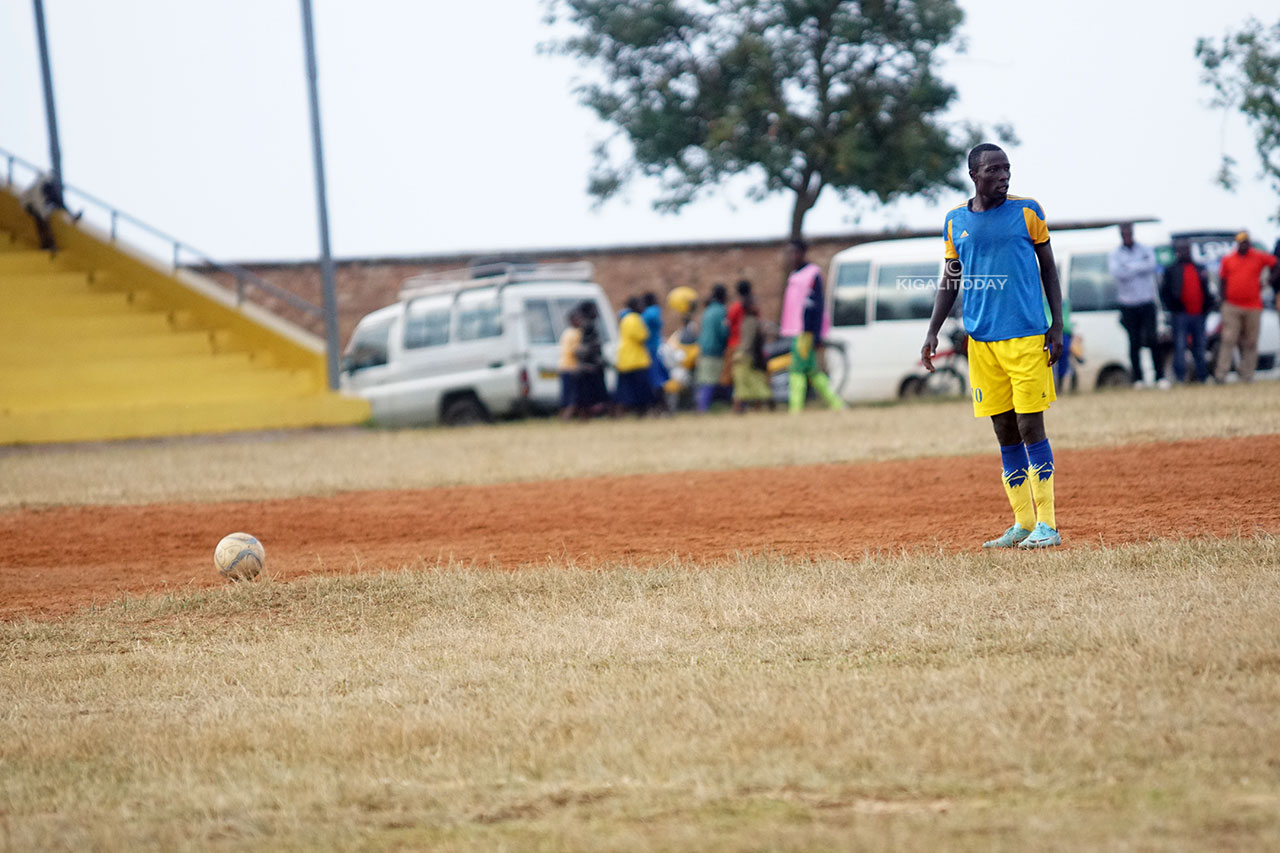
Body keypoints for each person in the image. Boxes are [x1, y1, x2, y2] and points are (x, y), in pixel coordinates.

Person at [922, 143, 1064, 550]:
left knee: (1030, 425)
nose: (1003, 177)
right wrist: (933, 331)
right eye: (994, 171)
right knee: (1004, 430)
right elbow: (951, 278)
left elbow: (1048, 270)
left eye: (1007, 169)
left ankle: (1048, 525)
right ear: (973, 175)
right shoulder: (955, 222)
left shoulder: (1028, 211)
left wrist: (1056, 326)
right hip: (981, 344)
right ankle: (1022, 523)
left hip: (1026, 336)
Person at [779, 238, 845, 413]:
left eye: (795, 252)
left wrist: (815, 334)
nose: (792, 257)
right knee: (812, 372)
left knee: (797, 371)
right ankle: (837, 405)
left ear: (802, 253)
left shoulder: (811, 274)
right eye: (790, 253)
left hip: (806, 332)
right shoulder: (794, 275)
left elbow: (816, 307)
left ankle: (796, 409)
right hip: (796, 331)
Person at [1108, 223, 1168, 389]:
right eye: (1123, 233)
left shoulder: (1145, 249)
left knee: (1152, 339)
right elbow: (1117, 273)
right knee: (1133, 342)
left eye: (1128, 232)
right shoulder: (1115, 254)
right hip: (1127, 304)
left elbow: (1151, 266)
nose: (1126, 235)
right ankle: (1138, 379)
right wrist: (1138, 267)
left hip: (1147, 301)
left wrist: (1130, 267)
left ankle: (1160, 377)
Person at [1213, 231, 1277, 384]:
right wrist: (1224, 301)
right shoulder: (1228, 259)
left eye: (1245, 241)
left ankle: (1247, 375)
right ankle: (1221, 375)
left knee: (1250, 342)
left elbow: (1276, 264)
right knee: (1228, 339)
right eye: (1240, 242)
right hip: (1232, 306)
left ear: (1249, 242)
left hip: (1253, 306)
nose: (1243, 244)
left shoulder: (1259, 257)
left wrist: (1268, 281)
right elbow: (1222, 281)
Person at [1159, 239, 1216, 384]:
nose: (1185, 251)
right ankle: (1180, 377)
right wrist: (1173, 307)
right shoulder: (1172, 269)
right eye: (1181, 249)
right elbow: (1164, 292)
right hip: (1180, 315)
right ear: (1177, 251)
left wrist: (1207, 307)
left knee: (1200, 346)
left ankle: (1202, 376)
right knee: (1180, 346)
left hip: (1198, 314)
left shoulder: (1199, 267)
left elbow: (1206, 289)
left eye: (1187, 248)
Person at [730, 281, 773, 413]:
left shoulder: (739, 311)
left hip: (741, 348)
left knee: (742, 380)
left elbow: (732, 327)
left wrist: (740, 352)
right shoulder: (752, 313)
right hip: (751, 349)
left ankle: (743, 406)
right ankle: (758, 404)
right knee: (755, 378)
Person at [614, 296, 652, 416]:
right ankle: (641, 413)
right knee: (641, 391)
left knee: (625, 391)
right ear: (635, 306)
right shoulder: (635, 319)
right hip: (636, 360)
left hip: (624, 359)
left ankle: (619, 414)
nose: (643, 308)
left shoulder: (625, 318)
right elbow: (642, 337)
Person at [694, 283, 729, 412]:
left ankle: (702, 407)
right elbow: (723, 332)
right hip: (715, 350)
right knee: (711, 380)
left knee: (704, 380)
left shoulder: (707, 310)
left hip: (703, 349)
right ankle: (702, 409)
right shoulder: (720, 311)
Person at [20, 172, 73, 252]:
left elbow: (59, 202)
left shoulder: (51, 186)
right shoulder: (38, 191)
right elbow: (39, 206)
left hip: (41, 203)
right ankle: (47, 244)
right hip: (29, 203)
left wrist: (71, 215)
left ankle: (49, 244)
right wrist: (44, 216)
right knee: (42, 221)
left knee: (45, 218)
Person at [574, 300, 609, 418]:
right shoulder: (588, 326)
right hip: (591, 367)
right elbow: (588, 347)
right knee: (594, 396)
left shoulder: (587, 325)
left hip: (590, 365)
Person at [640, 292, 670, 413]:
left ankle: (660, 407)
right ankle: (662, 407)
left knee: (655, 380)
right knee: (658, 380)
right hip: (656, 348)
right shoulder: (656, 311)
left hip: (651, 350)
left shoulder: (649, 313)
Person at [556, 306, 583, 419]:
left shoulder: (566, 332)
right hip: (571, 367)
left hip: (563, 367)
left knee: (565, 397)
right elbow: (576, 351)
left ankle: (563, 417)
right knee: (573, 397)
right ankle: (567, 418)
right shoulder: (576, 333)